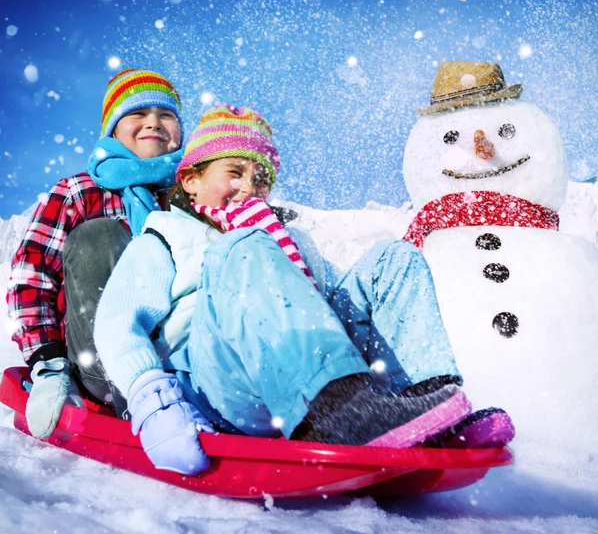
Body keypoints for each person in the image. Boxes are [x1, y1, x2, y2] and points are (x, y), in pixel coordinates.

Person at [93, 104, 515, 476]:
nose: (249, 188)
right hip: (219, 386)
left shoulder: (290, 239)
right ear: (191, 181)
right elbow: (117, 323)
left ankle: (425, 402)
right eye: (234, 172)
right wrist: (155, 405)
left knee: (392, 258)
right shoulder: (165, 236)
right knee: (243, 245)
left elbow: (333, 310)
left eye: (261, 179)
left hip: (294, 375)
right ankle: (337, 410)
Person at [6, 68, 185, 440]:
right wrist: (48, 364)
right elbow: (32, 275)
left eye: (166, 115)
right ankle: (138, 396)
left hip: (181, 357)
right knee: (99, 236)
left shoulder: (192, 197)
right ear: (113, 129)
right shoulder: (80, 191)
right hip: (102, 361)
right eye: (137, 114)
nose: (154, 122)